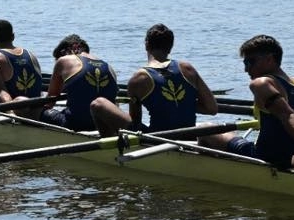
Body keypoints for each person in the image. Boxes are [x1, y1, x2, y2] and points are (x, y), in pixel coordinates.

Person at [200, 35, 294, 169]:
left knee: (204, 129)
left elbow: (287, 115)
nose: (246, 69)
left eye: (250, 62)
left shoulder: (261, 84)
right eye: (245, 63)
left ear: (269, 59)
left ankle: (211, 172)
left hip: (264, 158)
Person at [89, 23, 218, 136]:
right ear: (171, 47)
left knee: (98, 104)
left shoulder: (139, 78)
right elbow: (212, 108)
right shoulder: (187, 69)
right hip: (189, 137)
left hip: (157, 139)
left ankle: (109, 145)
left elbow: (135, 122)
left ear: (146, 45)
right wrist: (183, 105)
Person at [40, 34, 118, 132]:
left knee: (39, 112)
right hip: (105, 125)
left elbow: (50, 100)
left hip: (75, 124)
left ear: (69, 50)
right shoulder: (109, 67)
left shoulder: (64, 60)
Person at [0, 19, 45, 114]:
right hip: (38, 107)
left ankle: (11, 113)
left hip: (19, 109)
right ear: (13, 36)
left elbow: (1, 91)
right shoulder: (31, 54)